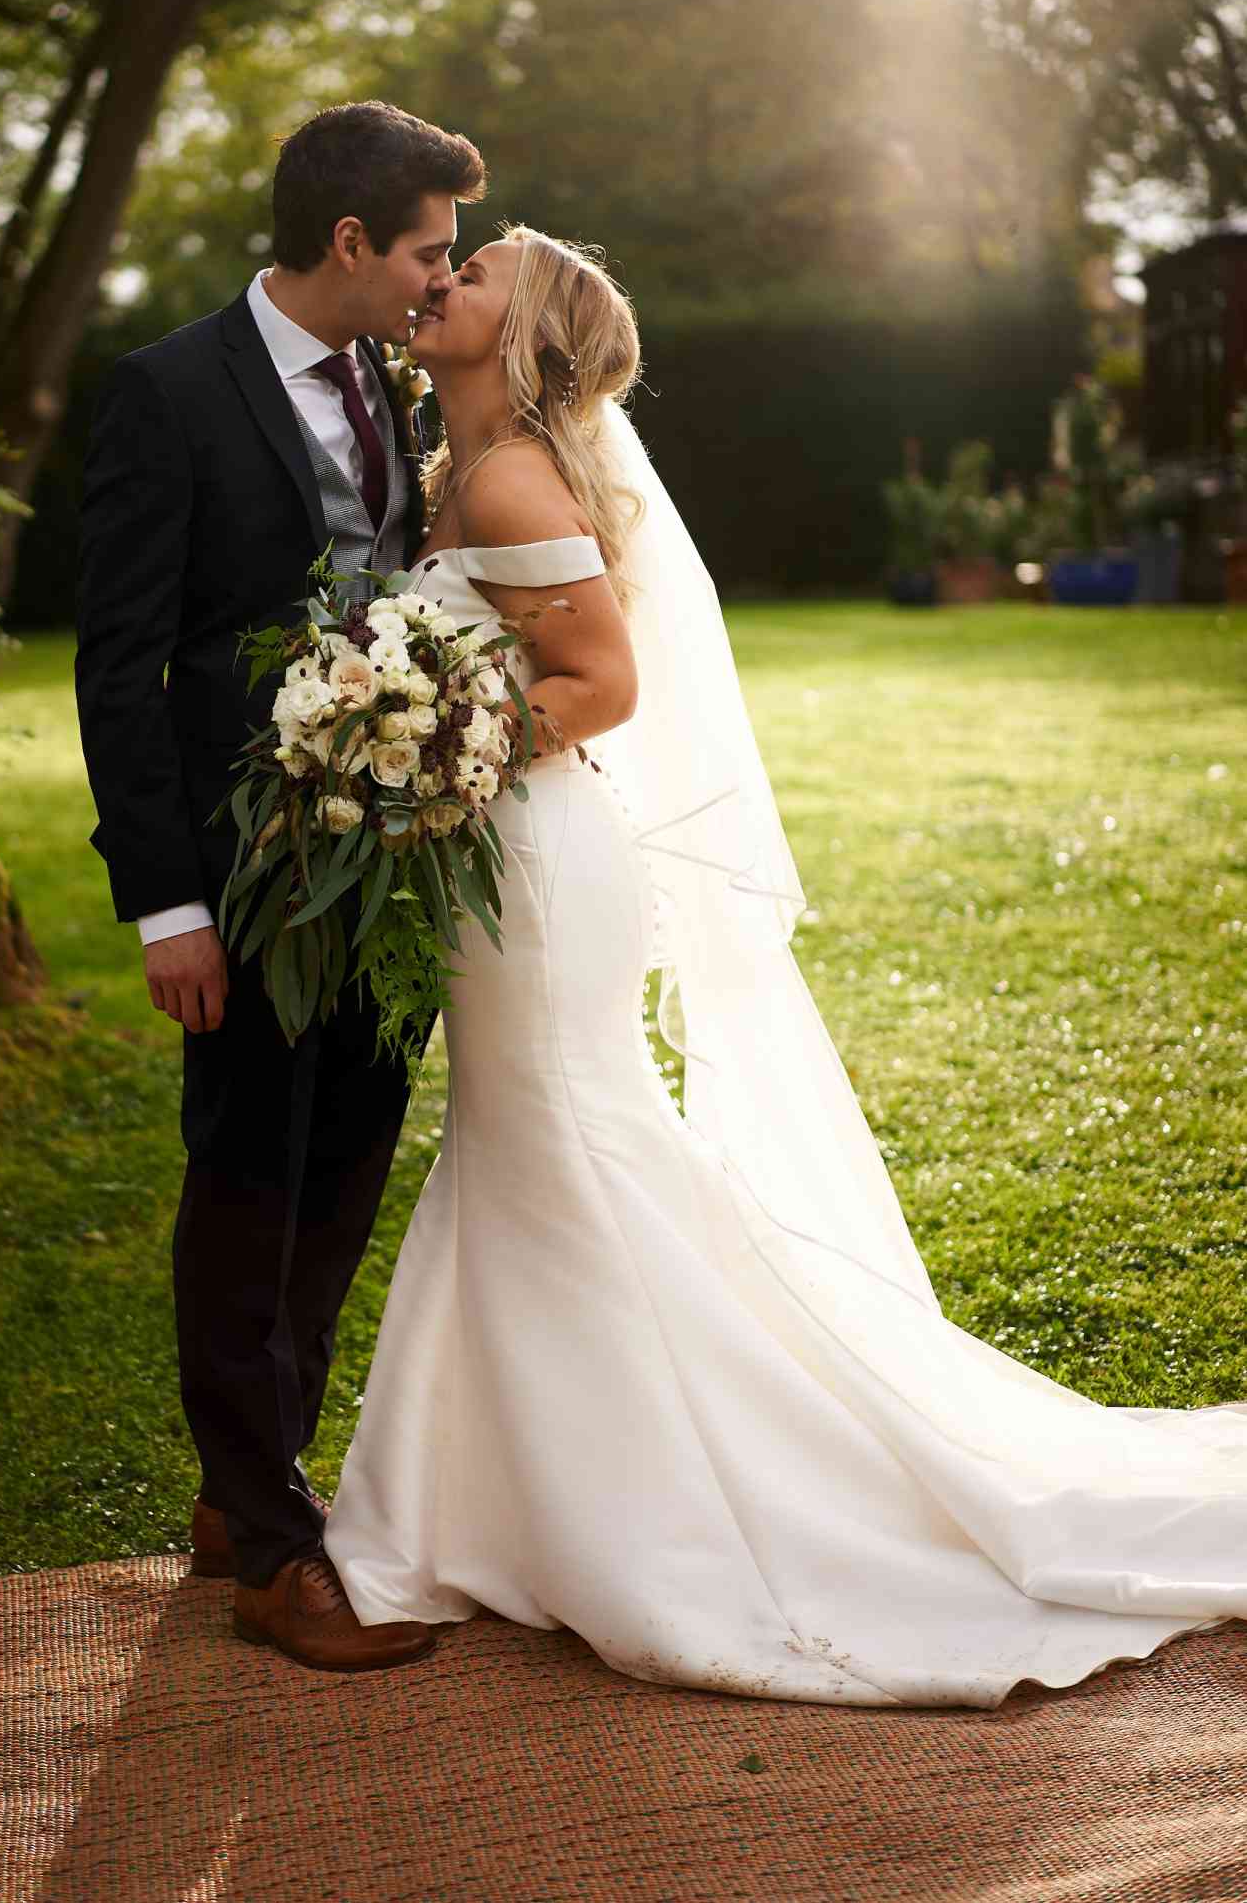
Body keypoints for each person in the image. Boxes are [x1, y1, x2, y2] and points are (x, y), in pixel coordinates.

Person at [322, 223, 1247, 1708]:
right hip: (518, 859)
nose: (444, 284)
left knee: (562, 1140)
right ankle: (493, 1491)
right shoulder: (467, 467)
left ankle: (648, 1502)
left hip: (542, 864)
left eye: (476, 271)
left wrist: (436, 754)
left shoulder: (502, 474)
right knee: (530, 1145)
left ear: (523, 336)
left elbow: (604, 681)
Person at [75, 101, 486, 1673]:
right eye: (428, 251)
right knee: (248, 1182)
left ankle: (250, 1481)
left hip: (385, 872)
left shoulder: (390, 376)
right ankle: (272, 1549)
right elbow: (121, 666)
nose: (439, 279)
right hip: (239, 882)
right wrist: (166, 904)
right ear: (349, 246)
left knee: (344, 1173)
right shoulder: (166, 393)